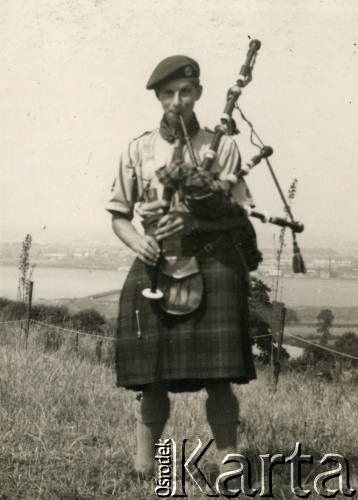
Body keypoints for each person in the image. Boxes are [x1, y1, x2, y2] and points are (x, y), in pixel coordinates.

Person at [106, 55, 258, 482]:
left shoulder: (223, 145)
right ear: (158, 97)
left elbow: (241, 214)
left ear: (199, 94)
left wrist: (196, 220)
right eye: (169, 93)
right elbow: (119, 213)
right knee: (151, 376)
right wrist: (139, 242)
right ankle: (143, 466)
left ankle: (230, 465)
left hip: (214, 263)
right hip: (156, 265)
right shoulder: (138, 149)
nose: (178, 100)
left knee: (220, 377)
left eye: (186, 91)